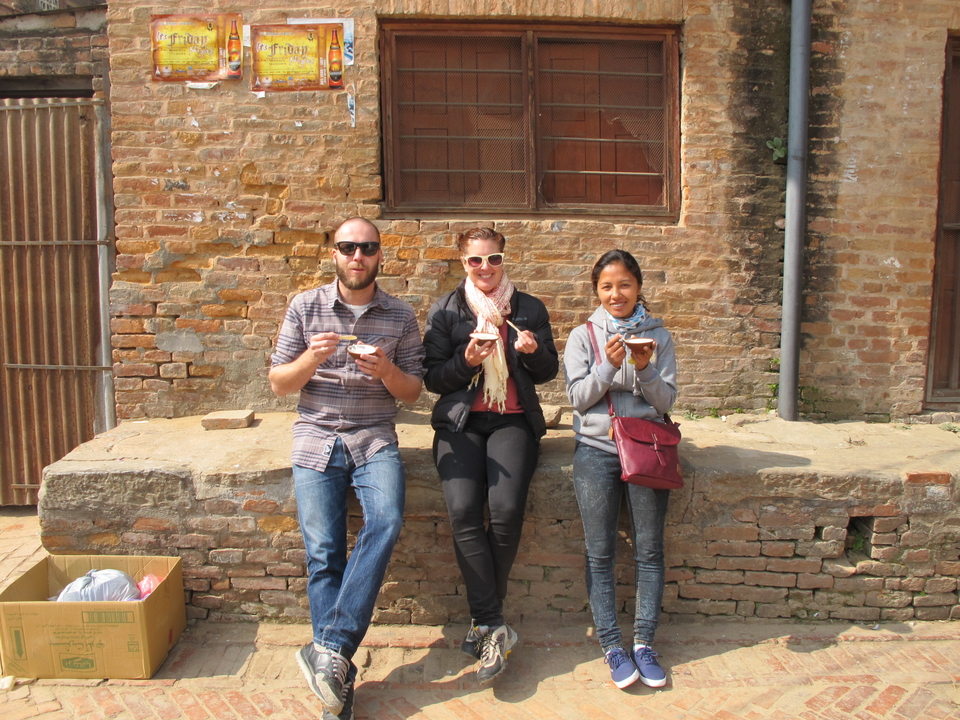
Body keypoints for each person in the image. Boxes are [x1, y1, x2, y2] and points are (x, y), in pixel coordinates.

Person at [269, 217, 425, 718]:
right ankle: (336, 676)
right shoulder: (305, 307)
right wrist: (310, 362)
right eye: (347, 247)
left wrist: (387, 372)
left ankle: (330, 650)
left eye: (368, 247)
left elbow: (414, 390)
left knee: (387, 519)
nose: (357, 255)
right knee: (323, 552)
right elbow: (279, 384)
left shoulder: (399, 316)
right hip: (315, 436)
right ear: (333, 253)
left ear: (381, 255)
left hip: (374, 434)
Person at [423, 227, 559, 683]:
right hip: (460, 421)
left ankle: (485, 623)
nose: (485, 268)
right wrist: (467, 361)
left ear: (504, 259)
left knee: (504, 511)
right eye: (475, 261)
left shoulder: (529, 309)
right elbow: (434, 379)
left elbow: (547, 372)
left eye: (493, 259)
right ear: (462, 263)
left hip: (512, 419)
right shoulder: (446, 310)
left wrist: (534, 351)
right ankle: (494, 624)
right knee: (463, 510)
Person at [563, 249, 677, 690]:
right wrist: (609, 364)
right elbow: (577, 399)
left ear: (638, 288)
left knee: (649, 549)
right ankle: (612, 645)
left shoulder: (659, 337)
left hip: (647, 448)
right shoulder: (582, 337)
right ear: (597, 291)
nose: (617, 294)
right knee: (600, 551)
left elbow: (665, 402)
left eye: (625, 285)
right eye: (607, 286)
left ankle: (644, 642)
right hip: (596, 448)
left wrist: (645, 368)